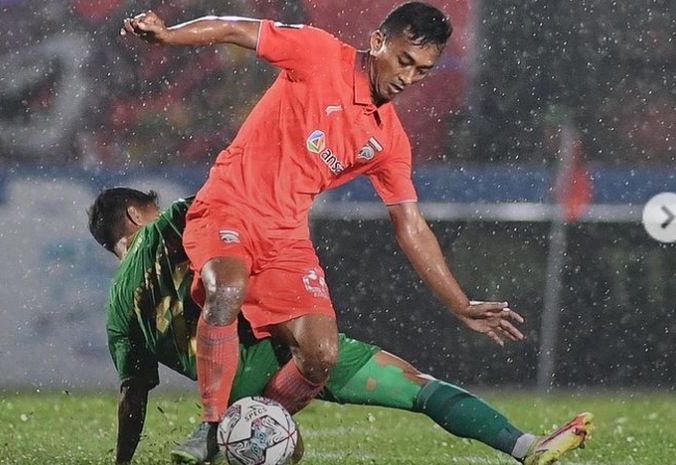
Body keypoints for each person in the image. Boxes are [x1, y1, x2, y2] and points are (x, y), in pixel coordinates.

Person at [120, 3, 527, 457]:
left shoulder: (387, 139)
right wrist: (167, 36)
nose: (408, 78)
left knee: (320, 354)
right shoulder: (317, 52)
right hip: (227, 208)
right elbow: (234, 28)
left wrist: (459, 303)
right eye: (404, 61)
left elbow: (410, 224)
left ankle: (250, 430)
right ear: (377, 42)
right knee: (227, 288)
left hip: (286, 237)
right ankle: (211, 428)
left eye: (423, 71)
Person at [88, 188, 593, 465]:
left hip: (234, 395)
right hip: (284, 339)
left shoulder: (116, 310)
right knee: (418, 389)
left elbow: (133, 398)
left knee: (285, 451)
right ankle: (524, 447)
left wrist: (122, 464)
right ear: (136, 213)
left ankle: (235, 431)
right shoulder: (176, 217)